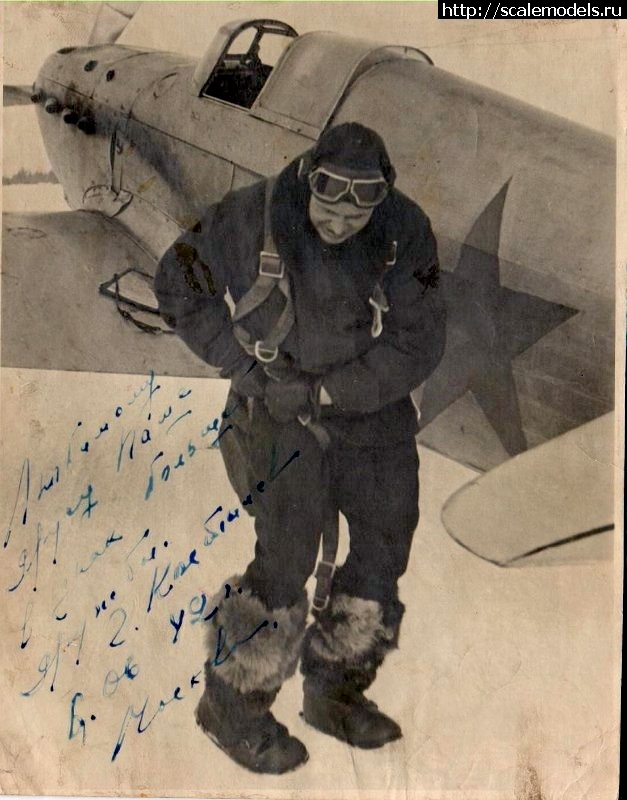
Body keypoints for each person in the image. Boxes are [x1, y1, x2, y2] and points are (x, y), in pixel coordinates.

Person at [155, 122, 446, 774]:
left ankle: (334, 691)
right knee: (286, 557)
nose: (340, 221)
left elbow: (421, 336)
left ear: (381, 196)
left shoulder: (405, 230)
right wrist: (245, 370)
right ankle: (231, 710)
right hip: (276, 402)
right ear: (309, 178)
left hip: (369, 406)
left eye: (358, 209)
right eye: (328, 204)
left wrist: (336, 392)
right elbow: (177, 280)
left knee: (384, 543)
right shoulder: (251, 215)